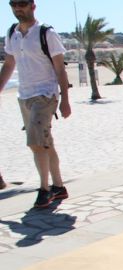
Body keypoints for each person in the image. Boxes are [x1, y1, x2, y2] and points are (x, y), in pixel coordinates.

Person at [0, 0, 71, 208]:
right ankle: (59, 187)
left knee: (36, 143)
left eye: (22, 4)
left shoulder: (46, 33)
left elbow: (60, 69)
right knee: (46, 143)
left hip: (45, 94)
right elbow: (9, 64)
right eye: (13, 4)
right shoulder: (12, 33)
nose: (17, 8)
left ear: (33, 6)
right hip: (25, 96)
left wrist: (65, 99)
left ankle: (44, 190)